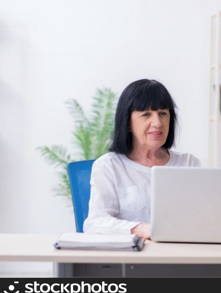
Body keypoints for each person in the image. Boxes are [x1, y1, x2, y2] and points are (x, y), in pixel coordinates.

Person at [83, 79, 200, 239]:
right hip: (129, 258)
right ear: (128, 123)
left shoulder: (188, 164)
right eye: (146, 114)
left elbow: (202, 219)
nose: (157, 123)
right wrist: (139, 228)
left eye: (163, 114)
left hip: (180, 255)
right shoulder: (108, 166)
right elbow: (96, 223)